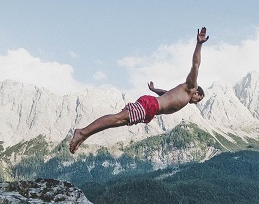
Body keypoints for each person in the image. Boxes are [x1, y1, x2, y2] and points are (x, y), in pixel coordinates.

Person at [69, 27, 209, 154]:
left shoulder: (182, 94)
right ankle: (82, 132)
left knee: (117, 122)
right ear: (197, 92)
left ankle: (84, 135)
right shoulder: (191, 87)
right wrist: (199, 44)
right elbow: (195, 65)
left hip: (151, 108)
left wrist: (155, 89)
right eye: (199, 99)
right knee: (117, 118)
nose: (197, 102)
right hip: (151, 105)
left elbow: (166, 94)